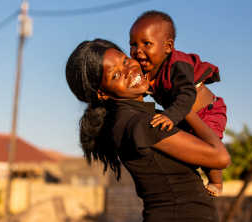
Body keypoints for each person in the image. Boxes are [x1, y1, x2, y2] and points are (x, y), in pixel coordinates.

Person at [65, 39, 230, 222]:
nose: (129, 70)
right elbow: (219, 158)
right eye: (116, 75)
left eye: (126, 61)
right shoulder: (143, 123)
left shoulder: (131, 119)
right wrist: (185, 107)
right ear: (102, 93)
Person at [128, 10, 227, 196]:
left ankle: (217, 182)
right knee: (188, 150)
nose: (138, 50)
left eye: (146, 43)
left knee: (207, 148)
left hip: (208, 112)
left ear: (168, 46)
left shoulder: (178, 64)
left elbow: (187, 94)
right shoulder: (148, 71)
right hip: (184, 116)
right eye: (133, 45)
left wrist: (170, 116)